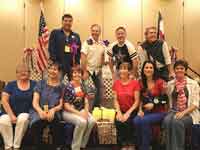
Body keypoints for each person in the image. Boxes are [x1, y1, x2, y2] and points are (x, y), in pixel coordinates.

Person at [163, 59, 200, 150]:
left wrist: (183, 113)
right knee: (167, 121)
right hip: (174, 110)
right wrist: (164, 90)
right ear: (174, 70)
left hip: (189, 112)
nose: (179, 70)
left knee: (177, 122)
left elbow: (195, 103)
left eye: (182, 68)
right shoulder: (170, 84)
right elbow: (166, 98)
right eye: (177, 68)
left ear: (185, 70)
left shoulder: (194, 84)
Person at [0, 63, 36, 150]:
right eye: (20, 71)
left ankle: (16, 146)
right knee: (3, 120)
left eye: (25, 71)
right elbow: (4, 100)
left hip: (27, 112)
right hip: (9, 111)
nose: (23, 73)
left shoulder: (35, 84)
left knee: (22, 119)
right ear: (16, 74)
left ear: (29, 73)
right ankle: (8, 146)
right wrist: (11, 115)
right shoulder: (11, 84)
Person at [133, 61, 167, 150]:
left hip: (159, 112)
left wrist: (154, 104)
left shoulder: (160, 82)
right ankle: (141, 145)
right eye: (146, 67)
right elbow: (140, 99)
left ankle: (145, 147)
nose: (148, 69)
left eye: (151, 67)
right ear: (143, 69)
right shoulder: (140, 82)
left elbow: (165, 100)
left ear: (154, 69)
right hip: (146, 111)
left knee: (144, 121)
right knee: (136, 121)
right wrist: (140, 110)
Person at [29, 61, 64, 150]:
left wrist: (53, 110)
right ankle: (40, 147)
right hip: (39, 110)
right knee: (36, 126)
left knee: (56, 125)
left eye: (55, 69)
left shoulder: (62, 86)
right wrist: (40, 112)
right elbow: (35, 102)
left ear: (59, 72)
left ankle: (56, 147)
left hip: (54, 111)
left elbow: (61, 105)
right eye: (50, 68)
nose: (52, 71)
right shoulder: (41, 83)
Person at [62, 65, 96, 150]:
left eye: (79, 73)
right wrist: (79, 114)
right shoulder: (68, 87)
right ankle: (75, 147)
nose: (77, 75)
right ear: (72, 74)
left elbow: (86, 101)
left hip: (81, 110)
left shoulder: (82, 85)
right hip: (68, 112)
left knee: (92, 121)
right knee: (82, 122)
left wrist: (86, 111)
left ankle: (82, 145)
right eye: (75, 73)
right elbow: (66, 106)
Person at [113, 62, 140, 150]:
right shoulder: (116, 83)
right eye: (121, 68)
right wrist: (119, 112)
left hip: (132, 110)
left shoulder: (135, 83)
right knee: (118, 121)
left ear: (129, 72)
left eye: (125, 68)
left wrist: (128, 113)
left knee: (128, 121)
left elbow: (136, 101)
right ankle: (124, 144)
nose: (122, 70)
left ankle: (131, 144)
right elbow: (115, 100)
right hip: (121, 110)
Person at [48, 14, 81, 79]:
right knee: (56, 85)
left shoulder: (76, 36)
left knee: (74, 86)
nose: (68, 23)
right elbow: (51, 48)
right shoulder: (55, 33)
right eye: (66, 21)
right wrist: (55, 62)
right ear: (62, 22)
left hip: (71, 66)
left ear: (72, 22)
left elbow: (78, 51)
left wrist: (77, 63)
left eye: (70, 21)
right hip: (58, 65)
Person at [81, 24, 105, 107]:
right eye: (93, 30)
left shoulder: (102, 43)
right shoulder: (87, 43)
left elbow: (102, 55)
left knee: (100, 89)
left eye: (97, 31)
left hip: (97, 70)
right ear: (91, 31)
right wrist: (84, 71)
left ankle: (96, 107)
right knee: (85, 89)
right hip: (88, 70)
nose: (95, 32)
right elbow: (83, 57)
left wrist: (101, 67)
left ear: (100, 32)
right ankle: (82, 106)